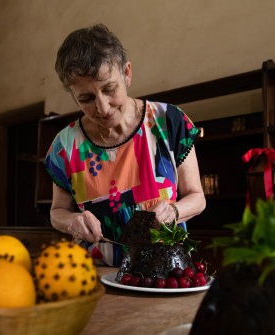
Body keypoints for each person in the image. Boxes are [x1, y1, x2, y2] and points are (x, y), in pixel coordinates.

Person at [44, 24, 205, 266]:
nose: (103, 107)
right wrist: (71, 222)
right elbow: (57, 212)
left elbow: (197, 197)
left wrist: (173, 211)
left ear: (127, 73)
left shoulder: (169, 121)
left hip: (167, 273)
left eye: (109, 89)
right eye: (86, 98)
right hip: (96, 276)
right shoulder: (64, 147)